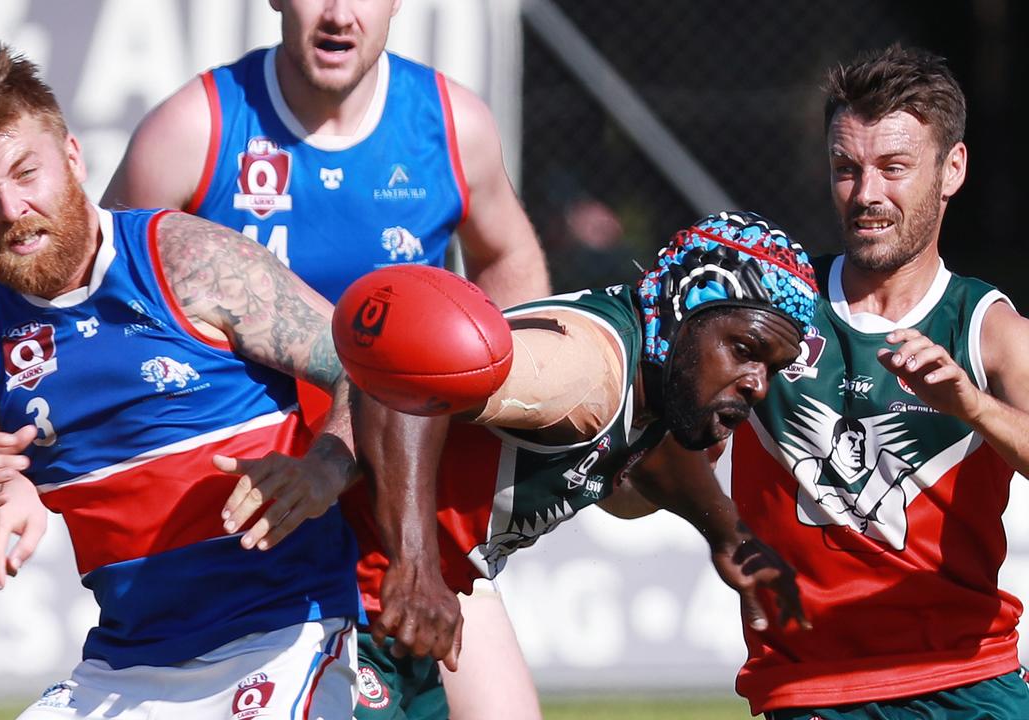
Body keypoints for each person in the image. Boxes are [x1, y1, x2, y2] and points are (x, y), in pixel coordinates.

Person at [101, 1, 551, 717]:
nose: (339, 14)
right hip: (258, 516)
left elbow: (509, 262)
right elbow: (108, 307)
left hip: (404, 502)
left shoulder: (450, 125)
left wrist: (496, 406)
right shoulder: (195, 131)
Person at [0, 42, 368, 719]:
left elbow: (367, 371)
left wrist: (323, 471)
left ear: (71, 156)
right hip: (125, 669)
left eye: (25, 173)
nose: (10, 210)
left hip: (282, 638)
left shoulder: (182, 258)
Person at [351, 210, 820, 718]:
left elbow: (650, 451)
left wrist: (730, 535)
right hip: (331, 583)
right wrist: (415, 566)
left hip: (393, 607)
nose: (758, 383)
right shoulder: (582, 371)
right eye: (743, 349)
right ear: (684, 311)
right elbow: (405, 361)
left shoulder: (653, 380)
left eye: (771, 366)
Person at [719, 45, 1029, 719]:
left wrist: (970, 405)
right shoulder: (770, 315)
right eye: (845, 169)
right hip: (809, 692)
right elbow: (644, 492)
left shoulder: (987, 329)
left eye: (894, 168)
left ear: (952, 170)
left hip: (967, 680)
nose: (866, 195)